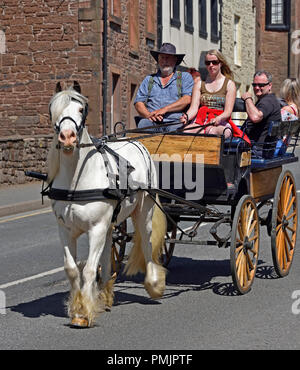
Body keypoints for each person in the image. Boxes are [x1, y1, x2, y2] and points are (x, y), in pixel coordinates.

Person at [180, 49, 242, 140]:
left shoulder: (229, 84)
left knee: (213, 132)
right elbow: (194, 108)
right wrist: (187, 116)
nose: (211, 65)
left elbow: (228, 112)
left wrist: (218, 119)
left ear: (220, 63)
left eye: (214, 62)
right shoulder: (199, 84)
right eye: (208, 63)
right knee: (186, 131)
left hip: (221, 122)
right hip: (201, 121)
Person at [134, 43, 194, 132]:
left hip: (175, 122)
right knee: (143, 124)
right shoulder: (149, 79)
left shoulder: (184, 77)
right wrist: (148, 115)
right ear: (158, 60)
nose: (164, 61)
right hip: (152, 122)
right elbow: (138, 102)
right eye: (162, 58)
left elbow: (186, 99)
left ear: (175, 60)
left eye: (168, 57)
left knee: (177, 132)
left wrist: (165, 109)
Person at [241, 70, 281, 158]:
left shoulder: (268, 101)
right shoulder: (269, 99)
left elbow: (255, 117)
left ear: (270, 85)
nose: (257, 87)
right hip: (260, 148)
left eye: (261, 85)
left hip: (256, 150)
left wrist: (248, 98)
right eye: (254, 85)